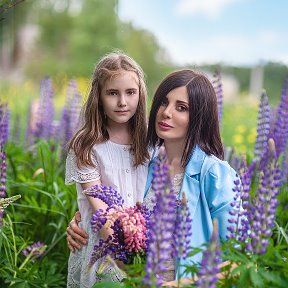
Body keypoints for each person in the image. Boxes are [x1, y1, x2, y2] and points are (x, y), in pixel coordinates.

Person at [67, 69, 238, 282]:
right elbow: (121, 207)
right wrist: (81, 220)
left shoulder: (214, 173)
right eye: (164, 102)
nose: (166, 112)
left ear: (199, 118)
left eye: (182, 108)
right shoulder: (149, 162)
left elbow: (240, 261)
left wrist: (179, 285)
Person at [65, 51, 150, 287]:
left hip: (144, 245)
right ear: (99, 97)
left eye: (130, 92)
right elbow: (102, 213)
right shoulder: (87, 146)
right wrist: (129, 265)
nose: (122, 102)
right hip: (104, 249)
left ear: (140, 95)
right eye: (113, 93)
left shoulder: (150, 142)